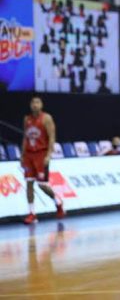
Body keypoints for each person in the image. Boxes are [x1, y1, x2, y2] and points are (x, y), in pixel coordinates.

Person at [21, 96, 64, 224]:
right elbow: (25, 138)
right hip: (29, 155)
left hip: (41, 154)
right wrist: (22, 155)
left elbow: (52, 137)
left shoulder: (46, 118)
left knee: (42, 185)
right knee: (29, 184)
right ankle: (32, 213)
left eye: (37, 102)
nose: (35, 104)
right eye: (33, 102)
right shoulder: (27, 119)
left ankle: (58, 201)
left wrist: (49, 155)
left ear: (41, 105)